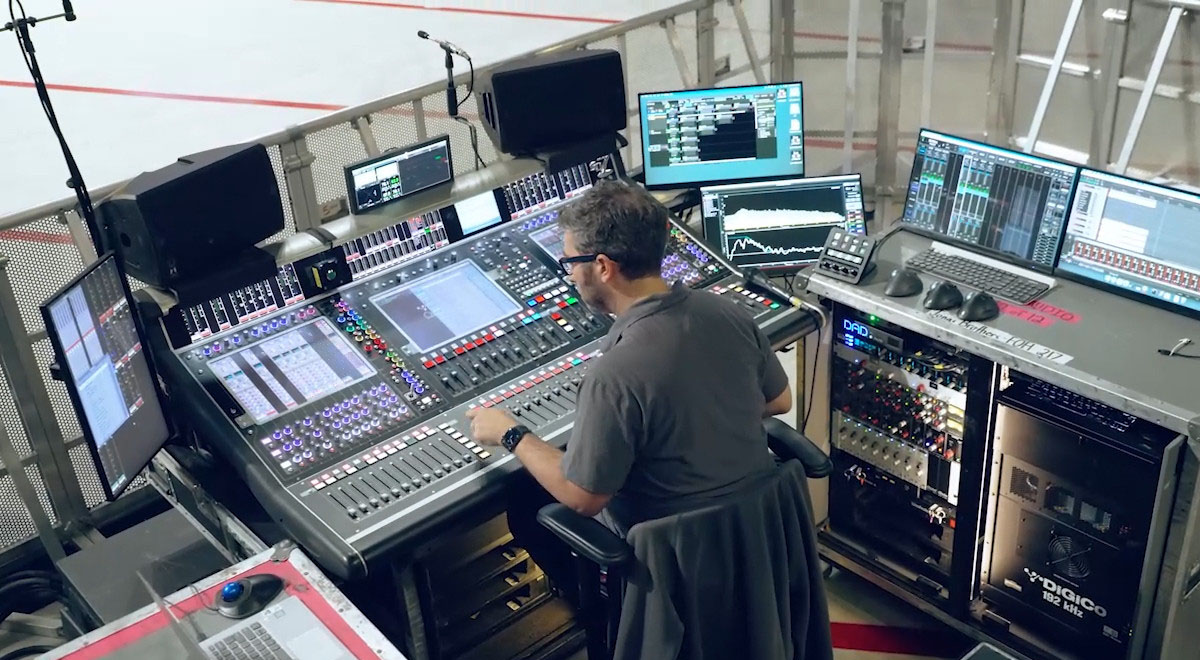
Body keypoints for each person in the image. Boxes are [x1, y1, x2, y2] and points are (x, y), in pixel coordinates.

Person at [466, 179, 792, 596]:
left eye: (570, 262)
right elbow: (779, 400)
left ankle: (609, 615)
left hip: (675, 561)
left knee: (525, 496)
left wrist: (509, 433)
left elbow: (583, 498)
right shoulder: (728, 312)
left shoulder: (614, 374)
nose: (570, 274)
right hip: (754, 541)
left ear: (603, 267)